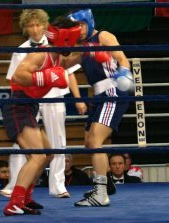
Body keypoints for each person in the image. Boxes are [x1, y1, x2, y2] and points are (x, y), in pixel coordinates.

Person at [0, 9, 87, 199]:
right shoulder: (23, 50)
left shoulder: (59, 47)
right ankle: (15, 185)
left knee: (54, 143)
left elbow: (69, 70)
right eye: (30, 25)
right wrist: (45, 77)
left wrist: (78, 97)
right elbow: (15, 79)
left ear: (45, 26)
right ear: (25, 28)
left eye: (38, 24)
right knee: (24, 142)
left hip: (53, 95)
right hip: (27, 100)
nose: (35, 29)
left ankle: (57, 185)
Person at [65, 8, 134, 207]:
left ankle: (101, 193)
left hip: (113, 91)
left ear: (89, 22)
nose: (77, 30)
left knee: (96, 140)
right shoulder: (80, 46)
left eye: (80, 25)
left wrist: (123, 74)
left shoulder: (103, 36)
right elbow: (63, 62)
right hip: (99, 97)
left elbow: (122, 59)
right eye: (74, 27)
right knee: (89, 141)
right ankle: (108, 184)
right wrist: (57, 44)